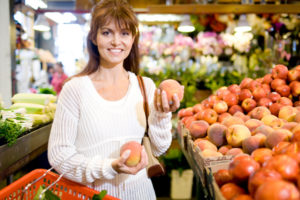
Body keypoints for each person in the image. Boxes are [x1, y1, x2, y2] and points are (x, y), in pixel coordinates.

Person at [47, 0, 183, 199]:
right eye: (107, 32)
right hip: (92, 195)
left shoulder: (145, 87)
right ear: (94, 37)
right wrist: (109, 167)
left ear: (133, 38)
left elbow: (159, 148)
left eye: (124, 33)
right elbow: (59, 156)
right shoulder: (74, 89)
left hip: (140, 194)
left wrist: (162, 115)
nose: (116, 42)